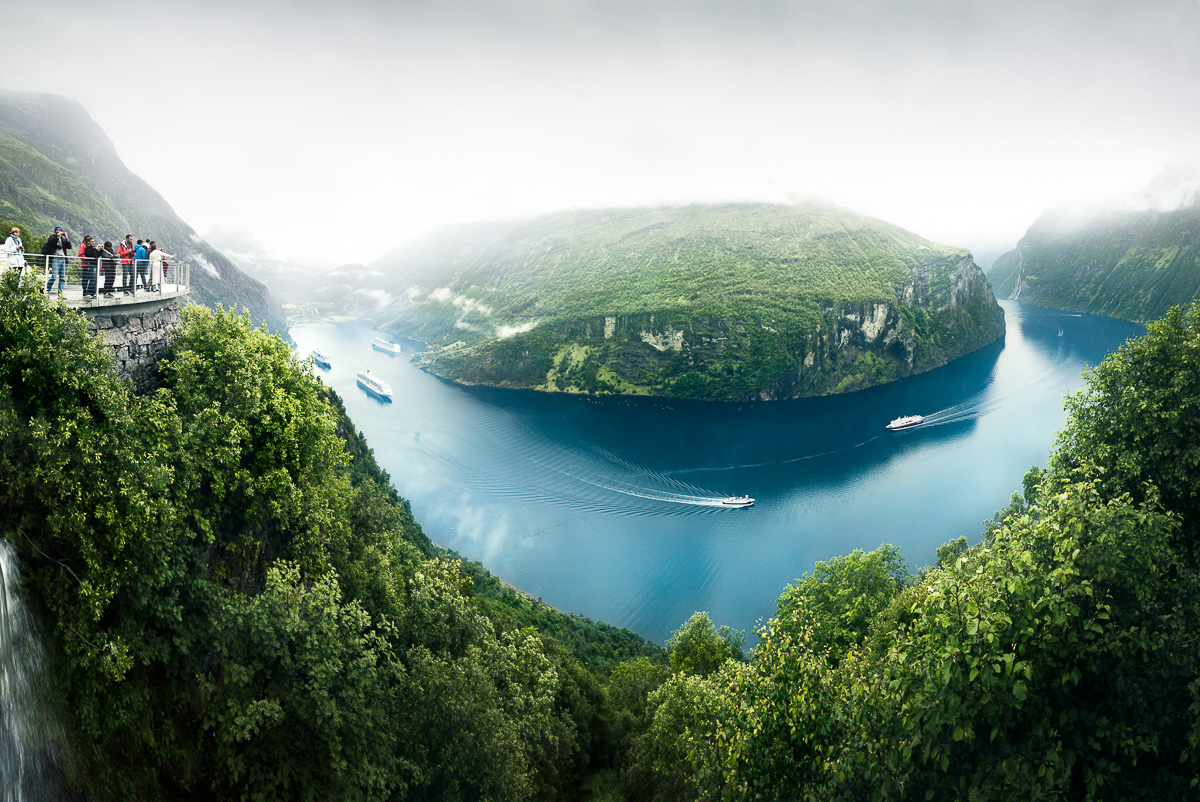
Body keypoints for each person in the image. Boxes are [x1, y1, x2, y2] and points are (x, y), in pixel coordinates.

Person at [41, 226, 71, 295]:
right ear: (55, 231)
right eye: (57, 230)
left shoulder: (63, 239)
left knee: (62, 278)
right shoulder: (52, 237)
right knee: (54, 276)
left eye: (59, 230)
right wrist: (57, 237)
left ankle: (60, 294)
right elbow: (50, 242)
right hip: (55, 259)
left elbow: (69, 246)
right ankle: (46, 290)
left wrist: (66, 238)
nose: (58, 231)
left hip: (62, 259)